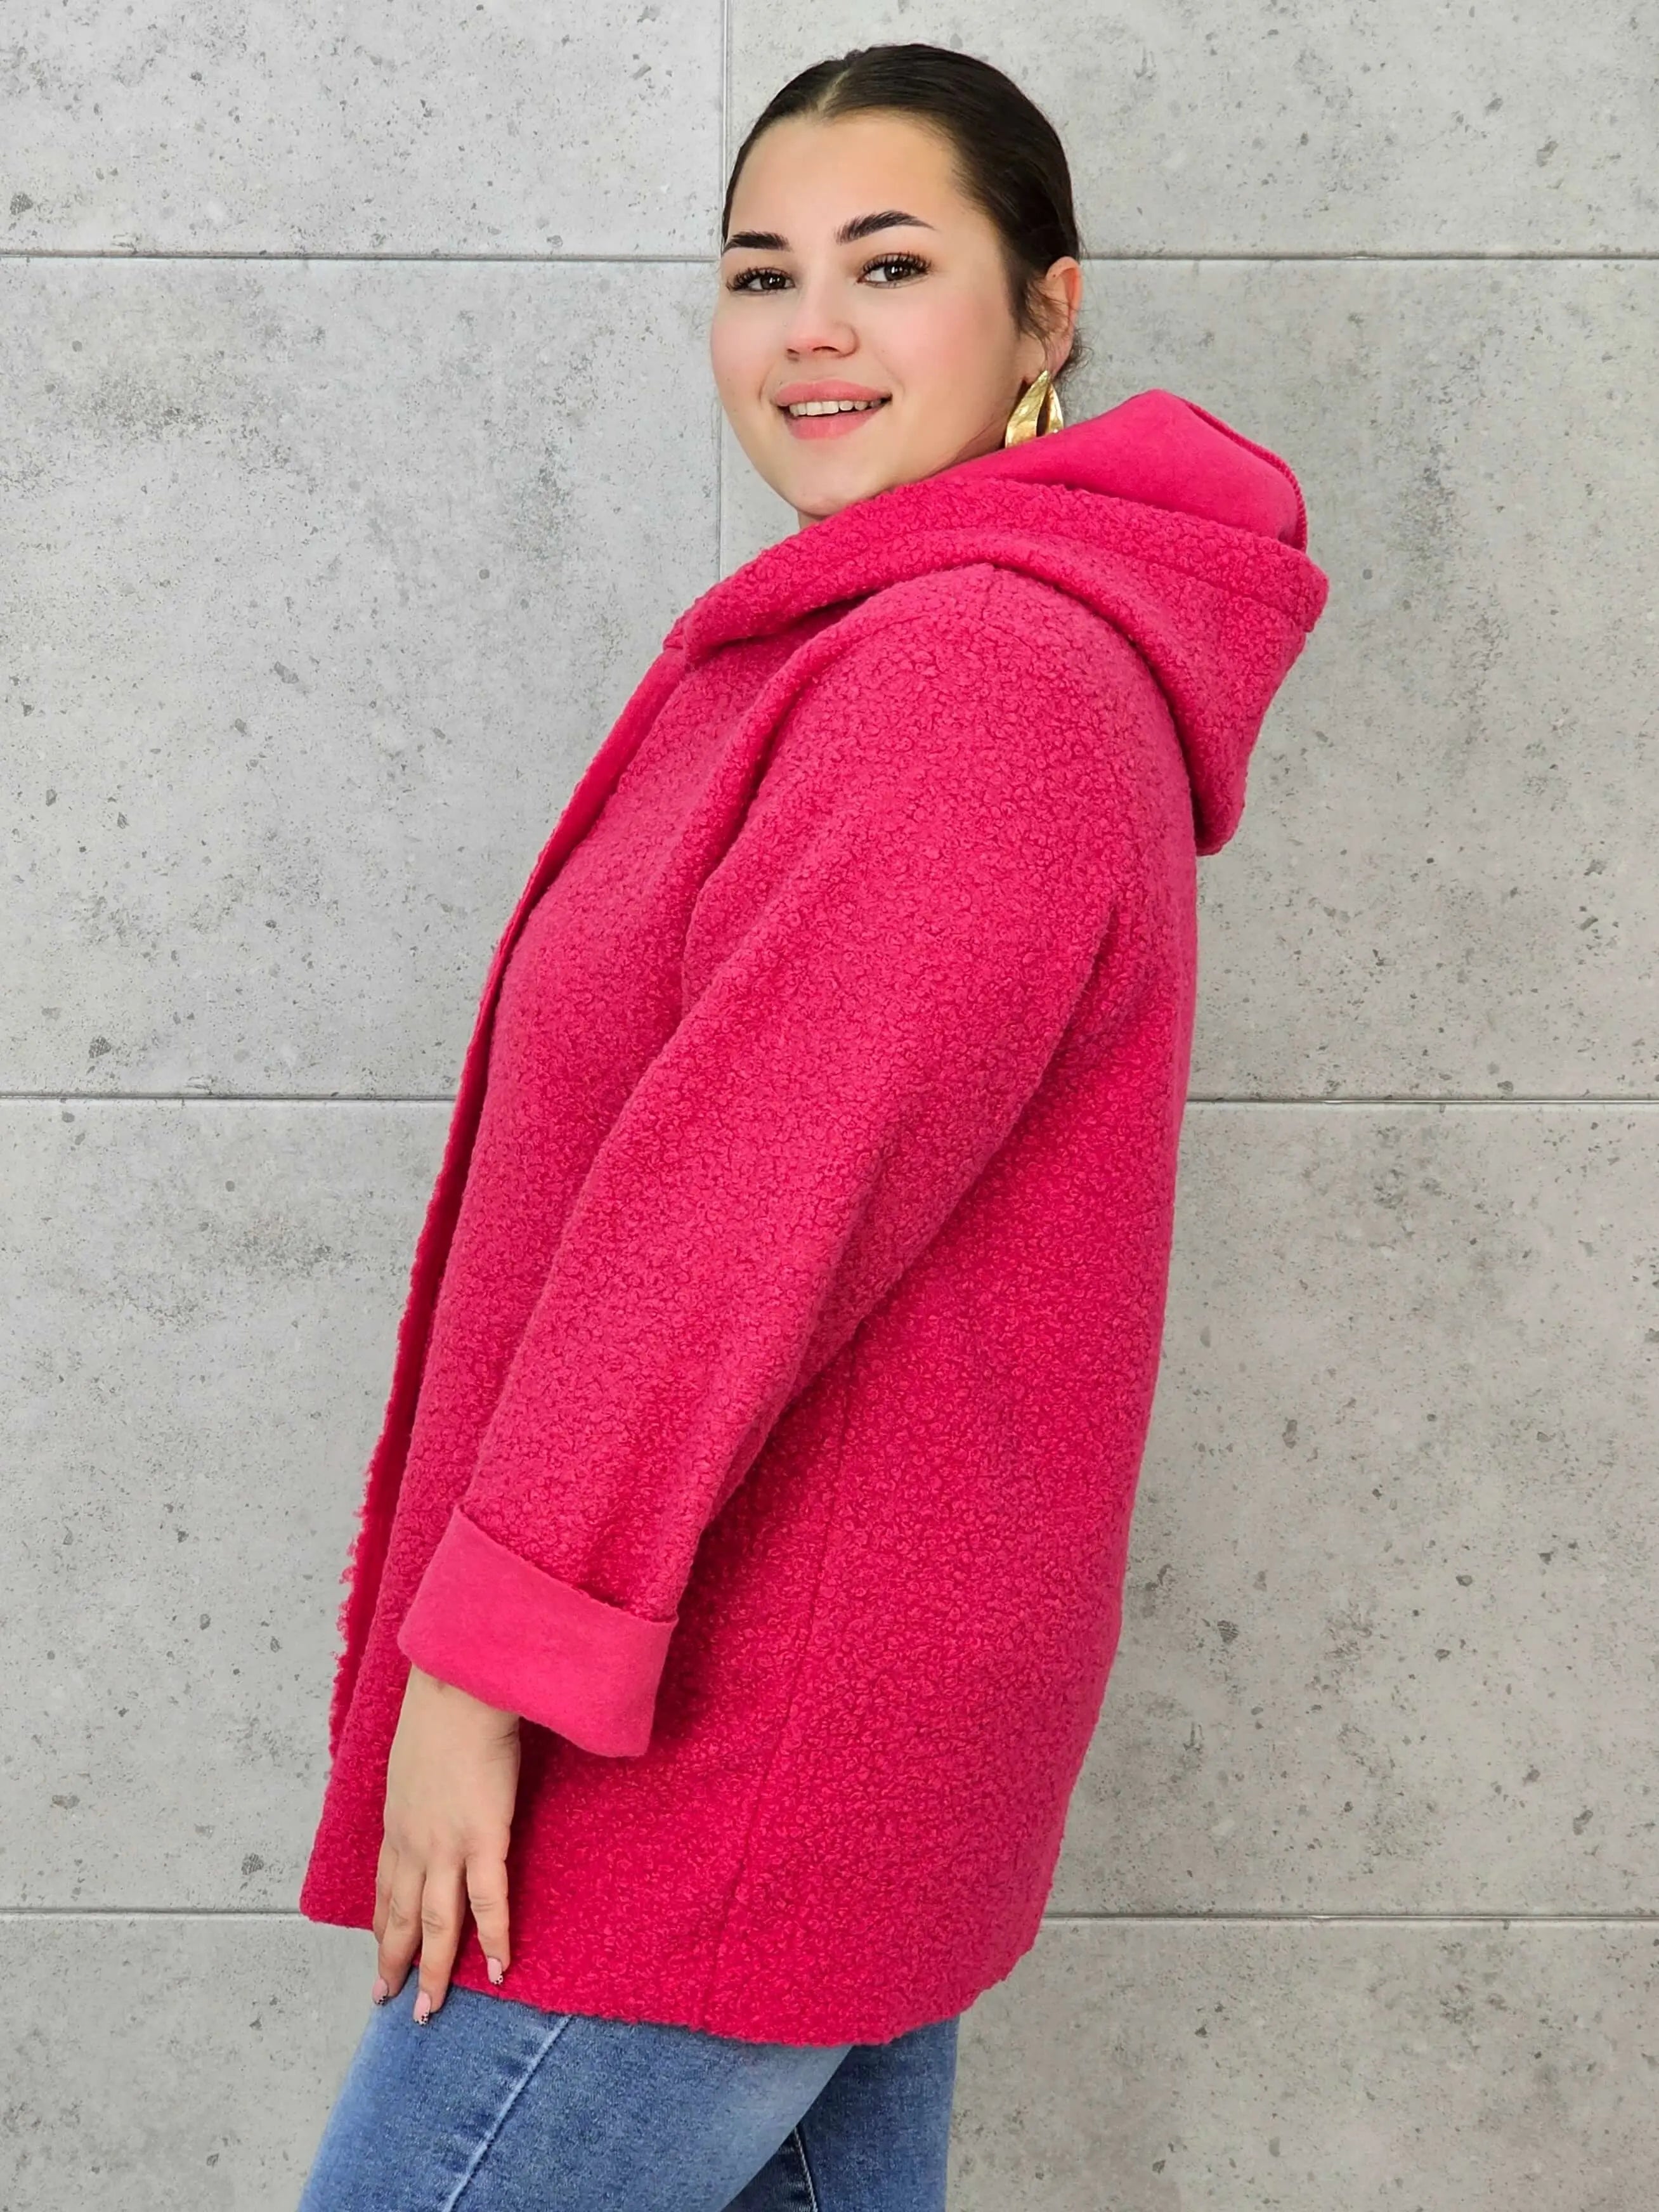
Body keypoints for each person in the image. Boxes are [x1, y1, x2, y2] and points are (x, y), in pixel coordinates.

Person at [294, 40, 1328, 2211]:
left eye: (891, 264)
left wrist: (484, 1671)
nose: (813, 330)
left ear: (1047, 312)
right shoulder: (888, 645)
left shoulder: (971, 677)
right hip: (810, 1716)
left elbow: (739, 1218)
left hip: (717, 1731)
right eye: (762, 273)